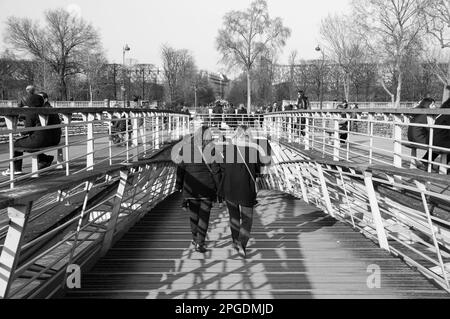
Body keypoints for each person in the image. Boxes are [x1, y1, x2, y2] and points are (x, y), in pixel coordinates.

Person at [217, 126, 264, 258]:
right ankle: (242, 243)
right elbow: (257, 171)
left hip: (229, 188)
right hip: (246, 189)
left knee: (234, 216)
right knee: (247, 219)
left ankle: (235, 240)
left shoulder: (228, 150)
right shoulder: (253, 151)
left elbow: (222, 168)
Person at [175, 126, 219, 253]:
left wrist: (178, 185)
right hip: (207, 188)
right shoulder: (211, 149)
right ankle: (200, 242)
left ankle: (195, 238)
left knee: (193, 215)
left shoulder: (186, 148)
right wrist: (218, 189)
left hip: (191, 188)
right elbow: (215, 171)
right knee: (204, 217)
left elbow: (180, 168)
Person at [2, 92, 62, 176]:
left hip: (42, 140)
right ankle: (44, 159)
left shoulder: (32, 111)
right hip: (55, 140)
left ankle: (15, 169)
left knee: (15, 144)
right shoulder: (51, 110)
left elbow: (27, 130)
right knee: (28, 143)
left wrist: (20, 133)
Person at [407, 98, 435, 170]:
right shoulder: (426, 114)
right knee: (439, 146)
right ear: (428, 105)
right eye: (433, 104)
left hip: (411, 138)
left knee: (437, 143)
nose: (434, 106)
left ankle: (426, 163)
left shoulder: (418, 112)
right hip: (418, 138)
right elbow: (430, 129)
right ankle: (425, 163)